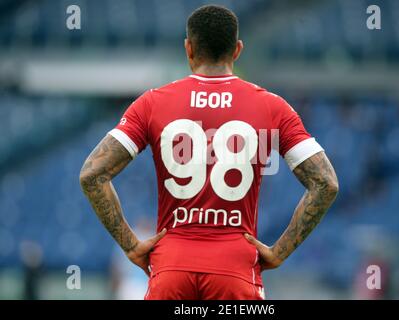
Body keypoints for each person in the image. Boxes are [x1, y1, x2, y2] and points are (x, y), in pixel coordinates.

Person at [80, 5, 338, 300]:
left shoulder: (151, 103)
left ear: (188, 48)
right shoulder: (272, 107)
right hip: (236, 268)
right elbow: (326, 182)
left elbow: (92, 174)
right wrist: (280, 251)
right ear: (237, 50)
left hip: (171, 267)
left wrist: (129, 244)